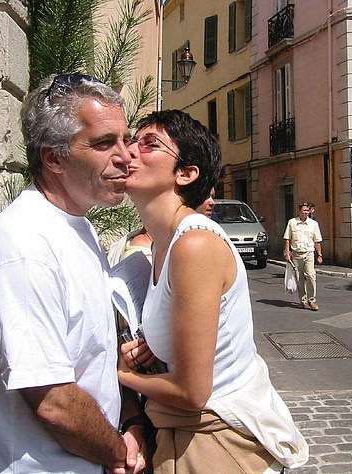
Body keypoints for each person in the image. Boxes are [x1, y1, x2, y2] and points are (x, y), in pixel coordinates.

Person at [0, 74, 146, 474]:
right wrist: (118, 453)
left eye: (124, 139)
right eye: (103, 143)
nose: (126, 156)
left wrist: (129, 422)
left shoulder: (78, 225)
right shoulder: (23, 245)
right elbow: (53, 401)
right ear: (53, 158)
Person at [117, 109, 308, 473]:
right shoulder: (161, 245)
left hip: (217, 441)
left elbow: (192, 392)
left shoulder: (194, 246)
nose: (129, 151)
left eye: (149, 144)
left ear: (186, 174)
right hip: (190, 432)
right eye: (131, 141)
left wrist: (117, 373)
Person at [283, 203, 323, 311]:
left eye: (307, 210)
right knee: (299, 278)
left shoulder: (314, 224)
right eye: (303, 210)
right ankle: (302, 300)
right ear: (299, 211)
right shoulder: (292, 223)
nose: (305, 212)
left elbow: (317, 241)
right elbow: (287, 239)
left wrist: (319, 254)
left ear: (309, 212)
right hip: (296, 254)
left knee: (310, 275)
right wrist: (287, 253)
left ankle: (312, 300)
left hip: (309, 253)